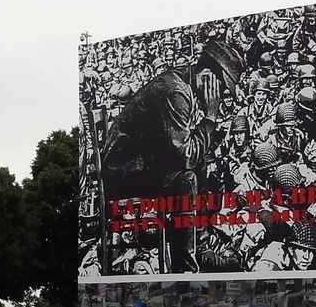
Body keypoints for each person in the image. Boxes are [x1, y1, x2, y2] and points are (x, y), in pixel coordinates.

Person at [99, 38, 244, 273]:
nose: (221, 95)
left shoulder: (186, 82)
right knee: (186, 175)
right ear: (207, 74)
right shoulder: (177, 92)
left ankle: (201, 245)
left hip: (143, 162)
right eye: (222, 87)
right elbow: (186, 155)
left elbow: (186, 149)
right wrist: (210, 117)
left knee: (199, 162)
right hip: (123, 173)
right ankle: (185, 267)